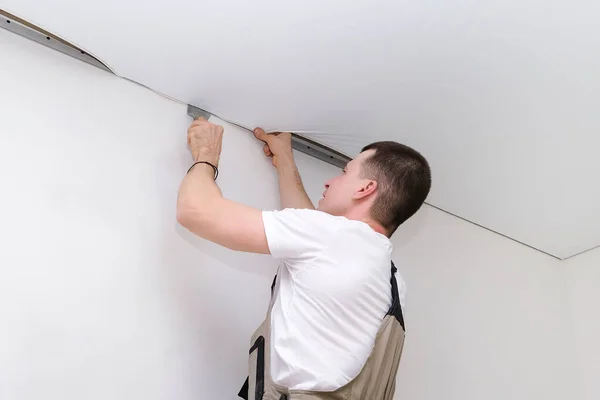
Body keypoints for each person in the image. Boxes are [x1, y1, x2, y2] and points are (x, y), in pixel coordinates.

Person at [176, 118, 431, 400]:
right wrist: (285, 161)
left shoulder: (330, 237)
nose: (330, 181)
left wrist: (206, 156)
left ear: (364, 189)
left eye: (344, 173)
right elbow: (313, 243)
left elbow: (195, 210)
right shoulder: (390, 276)